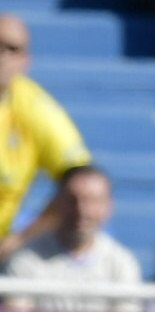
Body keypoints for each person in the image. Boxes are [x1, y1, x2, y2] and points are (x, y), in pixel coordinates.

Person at [0, 15, 92, 263]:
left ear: (25, 60)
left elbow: (82, 178)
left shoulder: (35, 109)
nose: (3, 56)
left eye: (12, 48)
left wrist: (19, 240)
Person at [2, 165, 142, 312]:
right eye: (72, 200)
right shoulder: (26, 260)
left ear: (108, 206)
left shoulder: (122, 264)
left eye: (93, 200)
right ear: (57, 204)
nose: (82, 211)